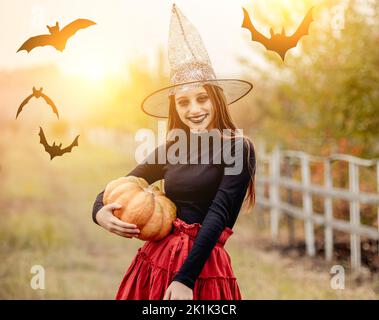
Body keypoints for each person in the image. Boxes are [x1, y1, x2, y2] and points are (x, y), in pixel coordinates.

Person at [92, 3, 256, 300]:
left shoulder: (237, 148)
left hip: (200, 270)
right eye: (183, 102)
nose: (194, 109)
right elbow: (124, 185)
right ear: (175, 108)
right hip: (155, 262)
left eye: (202, 99)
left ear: (216, 100)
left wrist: (185, 280)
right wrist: (98, 211)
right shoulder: (172, 148)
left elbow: (218, 216)